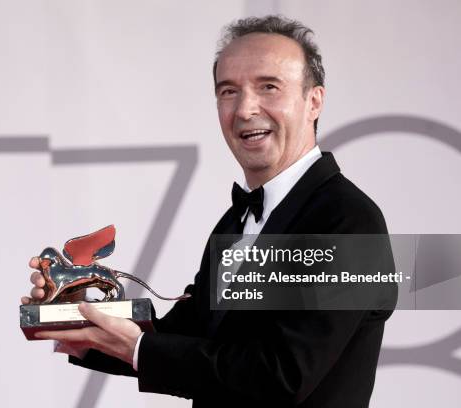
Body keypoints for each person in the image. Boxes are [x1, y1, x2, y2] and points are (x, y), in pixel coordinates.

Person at [21, 15, 396, 407]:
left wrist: (141, 350)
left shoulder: (352, 223)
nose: (245, 109)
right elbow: (190, 340)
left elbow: (283, 375)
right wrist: (72, 319)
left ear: (313, 100)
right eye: (228, 91)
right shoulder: (234, 223)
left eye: (269, 87)